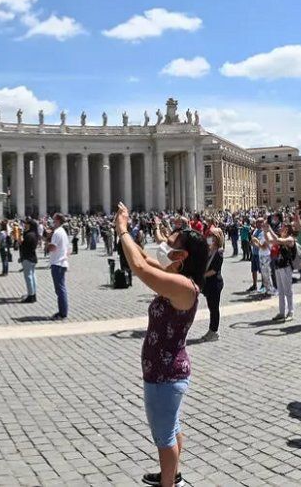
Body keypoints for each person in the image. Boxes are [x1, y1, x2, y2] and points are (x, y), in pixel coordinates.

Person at [114, 203, 205, 487]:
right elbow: (143, 258)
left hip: (166, 374)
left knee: (164, 437)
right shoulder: (177, 279)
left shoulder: (183, 286)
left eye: (171, 242)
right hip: (165, 371)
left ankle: (169, 482)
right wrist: (128, 235)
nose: (165, 243)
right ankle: (172, 474)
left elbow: (140, 267)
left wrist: (122, 230)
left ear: (182, 255)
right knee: (172, 427)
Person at [263, 222, 297, 321]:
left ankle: (290, 312)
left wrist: (270, 229)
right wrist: (265, 231)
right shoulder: (280, 238)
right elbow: (269, 240)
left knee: (288, 291)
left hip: (286, 267)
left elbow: (277, 240)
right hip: (278, 266)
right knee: (281, 291)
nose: (280, 228)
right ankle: (282, 312)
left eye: (283, 227)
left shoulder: (290, 239)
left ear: (287, 230)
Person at [199, 225, 224, 342]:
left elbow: (214, 270)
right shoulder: (210, 249)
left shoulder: (219, 252)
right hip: (208, 283)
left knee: (214, 308)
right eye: (209, 235)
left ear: (217, 237)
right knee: (211, 307)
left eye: (212, 235)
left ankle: (214, 331)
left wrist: (202, 275)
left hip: (215, 283)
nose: (209, 237)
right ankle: (211, 330)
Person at [46, 213, 71, 320]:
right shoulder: (63, 232)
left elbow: (53, 248)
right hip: (62, 262)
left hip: (57, 263)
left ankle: (62, 313)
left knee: (60, 289)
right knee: (60, 289)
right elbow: (69, 250)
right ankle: (62, 311)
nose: (52, 222)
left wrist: (47, 242)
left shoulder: (57, 232)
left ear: (57, 220)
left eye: (53, 220)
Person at [19, 218, 40, 303]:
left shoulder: (29, 235)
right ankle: (33, 294)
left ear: (30, 225)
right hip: (32, 257)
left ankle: (30, 296)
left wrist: (20, 243)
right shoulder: (34, 234)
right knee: (33, 276)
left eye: (26, 224)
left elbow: (24, 247)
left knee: (28, 277)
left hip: (27, 257)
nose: (25, 225)